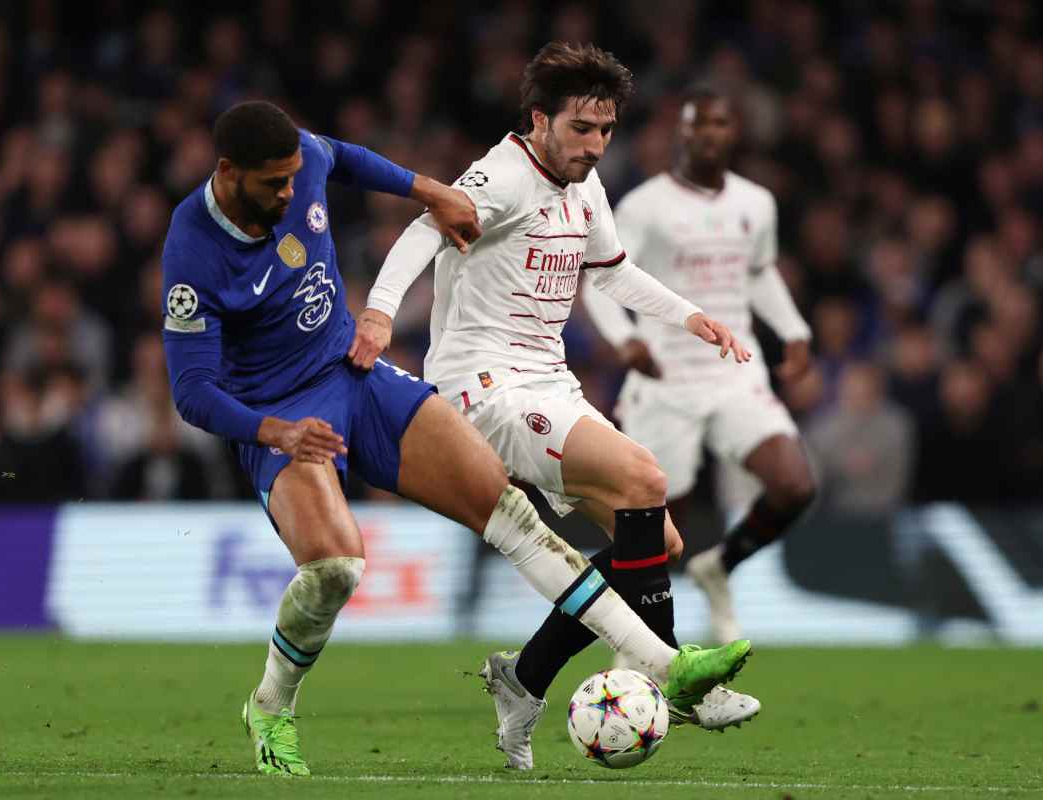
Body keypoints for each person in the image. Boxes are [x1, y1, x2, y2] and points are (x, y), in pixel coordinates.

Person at [162, 100, 753, 777]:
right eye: (274, 184)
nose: (291, 192)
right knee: (334, 570)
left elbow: (344, 157)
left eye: (294, 177)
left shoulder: (304, 159)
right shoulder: (192, 252)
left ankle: (662, 664)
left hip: (353, 373)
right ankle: (272, 704)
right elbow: (193, 392)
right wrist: (274, 430)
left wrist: (429, 190)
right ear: (228, 172)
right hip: (279, 414)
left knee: (508, 509)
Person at [354, 45, 761, 770]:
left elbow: (613, 272)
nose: (595, 145)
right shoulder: (505, 174)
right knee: (643, 477)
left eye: (605, 130)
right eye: (580, 129)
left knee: (654, 547)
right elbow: (426, 226)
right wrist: (381, 316)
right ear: (540, 119)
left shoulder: (585, 183)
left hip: (547, 384)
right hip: (485, 388)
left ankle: (526, 677)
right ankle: (676, 683)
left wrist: (690, 316)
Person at [581, 87, 818, 644]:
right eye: (698, 124)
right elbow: (601, 277)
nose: (709, 133)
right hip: (664, 381)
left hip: (734, 370)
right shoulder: (644, 206)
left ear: (734, 133)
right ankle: (637, 644)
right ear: (681, 133)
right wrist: (624, 341)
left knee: (795, 485)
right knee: (658, 534)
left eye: (720, 123)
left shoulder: (756, 203)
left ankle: (720, 567)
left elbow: (757, 273)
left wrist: (794, 329)